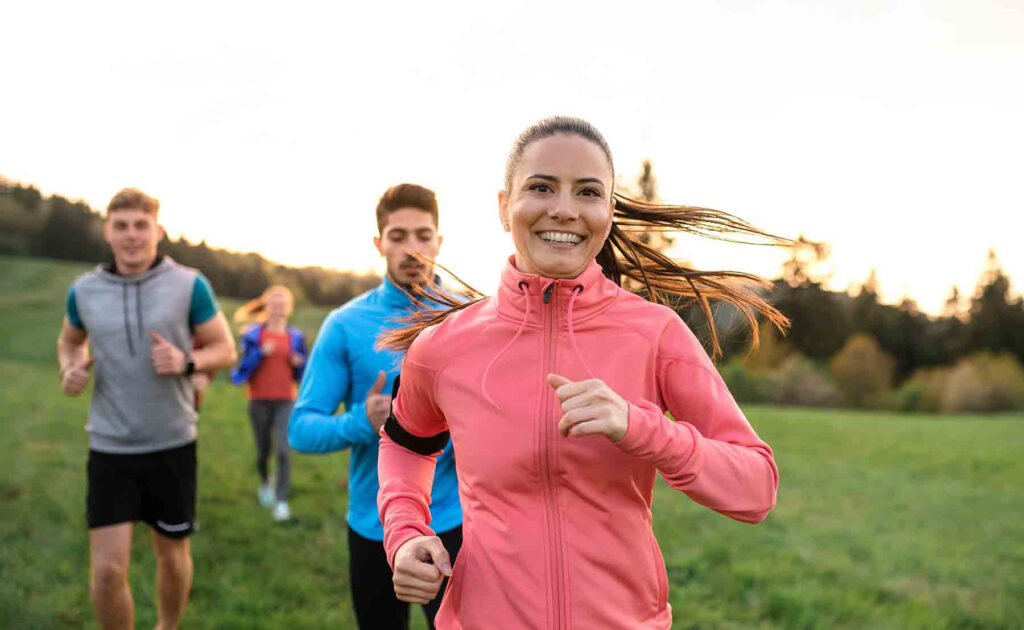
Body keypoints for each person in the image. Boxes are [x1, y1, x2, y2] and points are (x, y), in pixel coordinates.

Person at [377, 117, 790, 629]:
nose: (565, 209)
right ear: (505, 207)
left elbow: (756, 488)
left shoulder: (655, 334)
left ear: (609, 212)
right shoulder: (443, 347)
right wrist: (406, 531)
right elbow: (406, 443)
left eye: (587, 192)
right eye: (542, 187)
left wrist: (642, 428)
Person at [57, 187, 237, 630]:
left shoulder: (189, 284)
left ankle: (167, 626)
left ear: (158, 230)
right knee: (106, 571)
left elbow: (225, 349)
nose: (132, 235)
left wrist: (187, 361)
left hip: (172, 442)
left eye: (141, 225)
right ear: (107, 231)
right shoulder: (84, 291)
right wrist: (70, 368)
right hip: (110, 445)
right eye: (122, 226)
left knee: (172, 555)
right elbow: (69, 341)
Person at [289, 184, 463, 630]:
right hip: (373, 527)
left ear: (439, 241)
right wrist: (361, 422)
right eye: (398, 236)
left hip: (458, 523)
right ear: (379, 243)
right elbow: (301, 429)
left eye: (423, 236)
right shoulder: (345, 325)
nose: (412, 249)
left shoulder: (471, 319)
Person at [230, 285, 308, 521]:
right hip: (258, 400)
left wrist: (299, 363)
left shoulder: (295, 338)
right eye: (274, 304)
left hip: (286, 400)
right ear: (267, 307)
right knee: (263, 450)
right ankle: (265, 482)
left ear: (288, 308)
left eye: (282, 304)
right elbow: (242, 369)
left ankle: (281, 501)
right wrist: (260, 353)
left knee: (283, 450)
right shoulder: (253, 335)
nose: (278, 308)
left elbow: (302, 374)